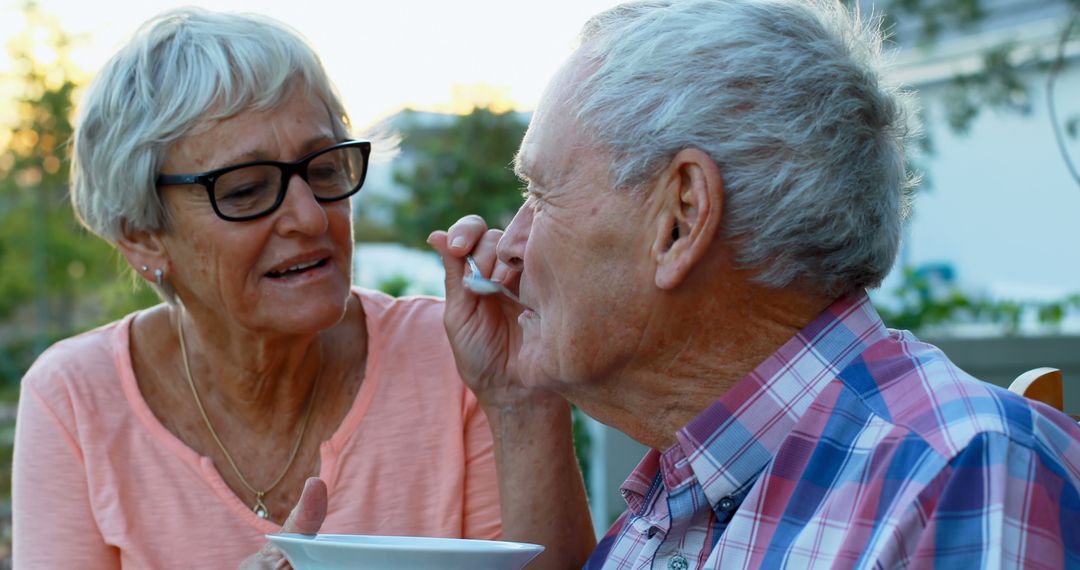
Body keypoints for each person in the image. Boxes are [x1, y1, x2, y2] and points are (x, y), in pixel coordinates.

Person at [429, 0, 1080, 568]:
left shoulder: (964, 477)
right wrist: (519, 400)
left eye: (541, 195)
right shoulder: (686, 494)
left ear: (681, 219)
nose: (508, 248)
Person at [12, 8, 500, 569]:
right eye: (245, 190)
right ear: (142, 235)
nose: (311, 218)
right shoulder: (76, 398)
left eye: (323, 170)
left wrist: (521, 400)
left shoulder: (452, 355)